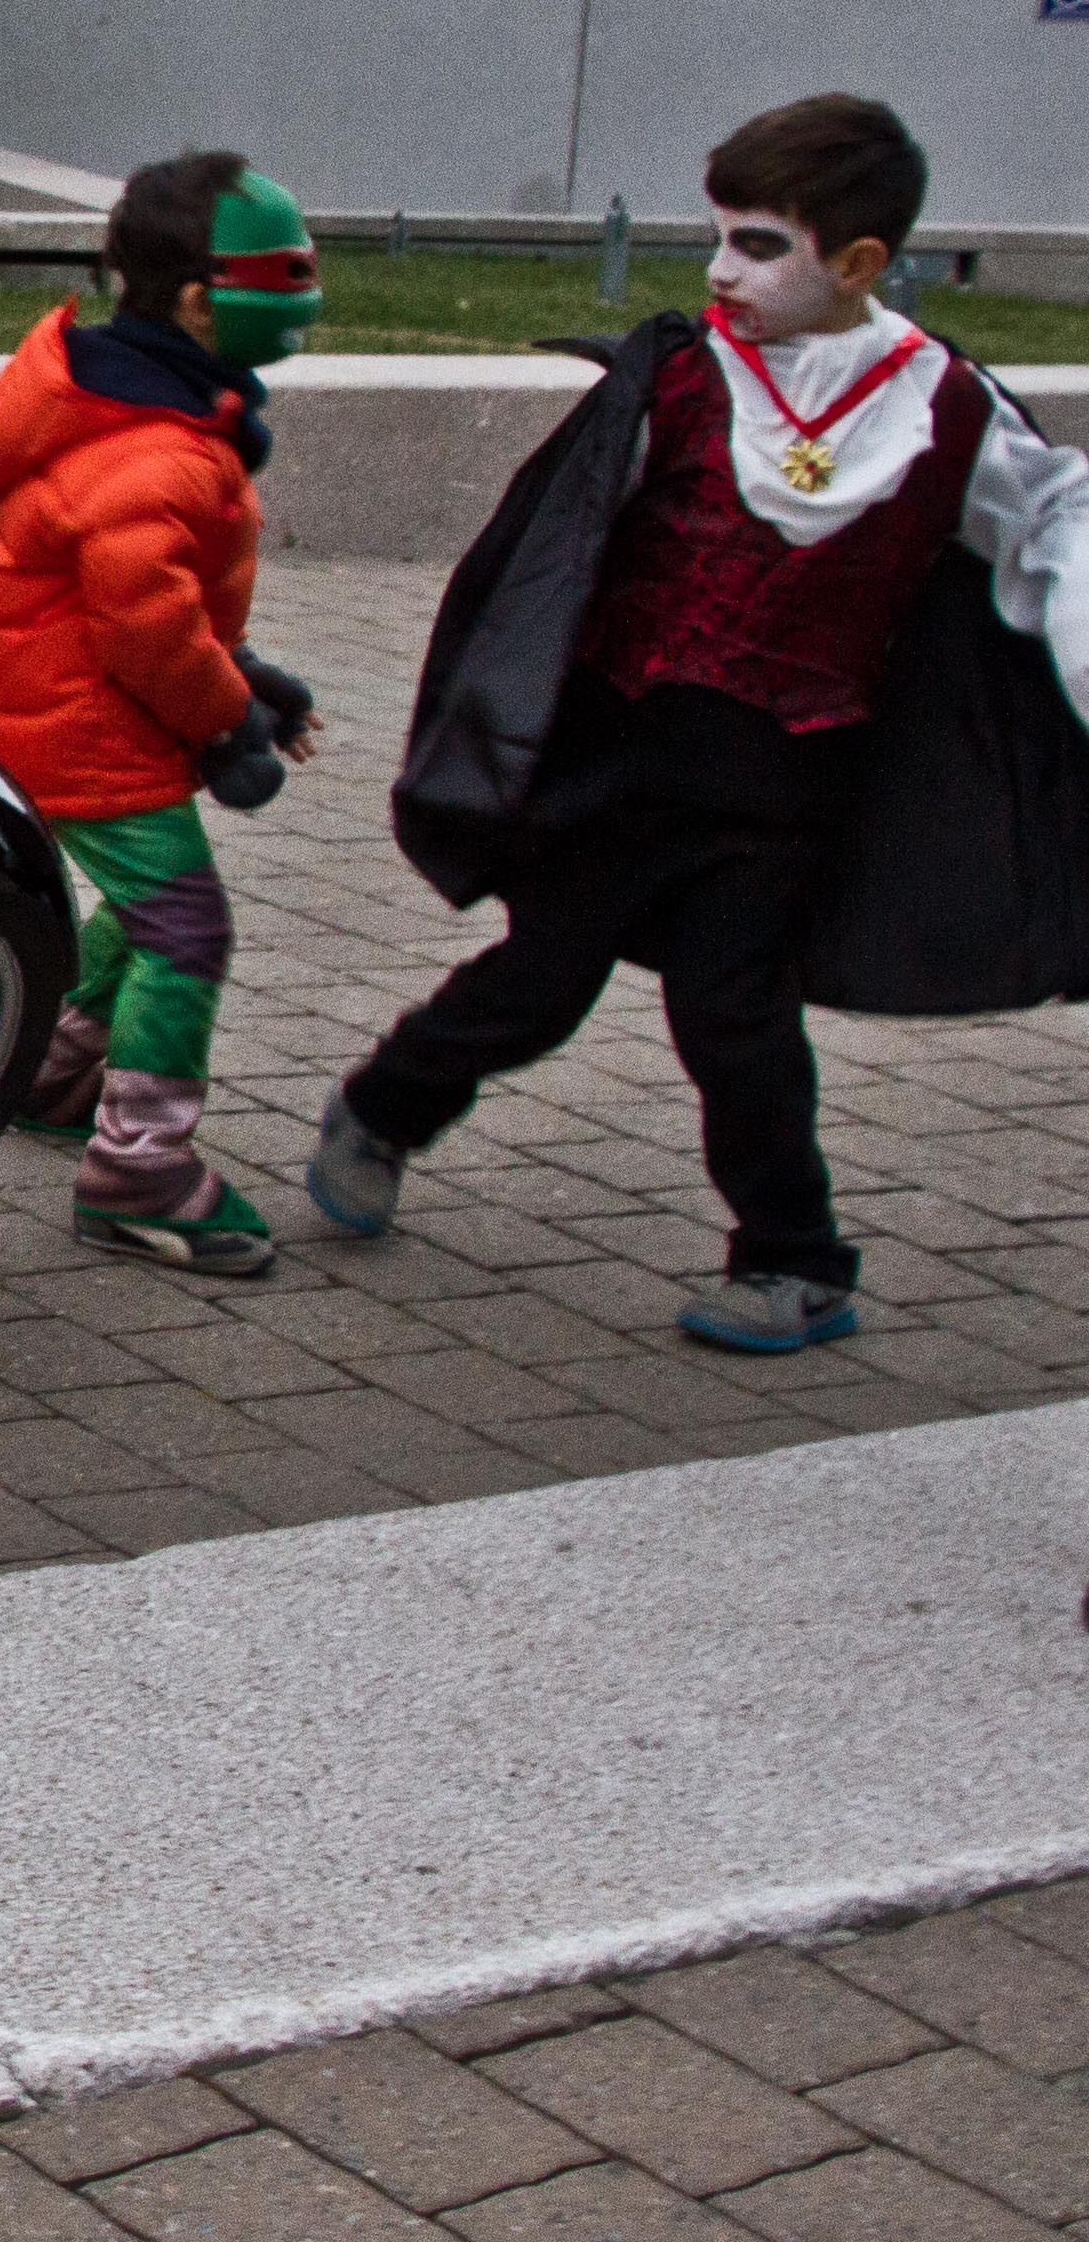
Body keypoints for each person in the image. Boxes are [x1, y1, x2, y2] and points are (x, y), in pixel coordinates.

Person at [315, 93, 1089, 1352]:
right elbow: (554, 549)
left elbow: (1056, 526)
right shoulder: (676, 377)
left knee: (735, 1017)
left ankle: (794, 1259)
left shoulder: (944, 406)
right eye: (718, 236)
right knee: (539, 979)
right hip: (622, 766)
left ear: (858, 262)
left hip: (785, 790)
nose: (722, 270)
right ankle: (385, 1106)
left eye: (760, 245)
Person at [0, 150, 327, 1274]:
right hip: (84, 723)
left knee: (147, 902)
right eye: (288, 280)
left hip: (62, 706)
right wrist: (226, 724)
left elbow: (163, 606)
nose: (308, 301)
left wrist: (245, 679)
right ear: (202, 303)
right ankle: (140, 1168)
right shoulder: (160, 446)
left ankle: (53, 1075)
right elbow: (146, 628)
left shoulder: (131, 400)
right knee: (186, 929)